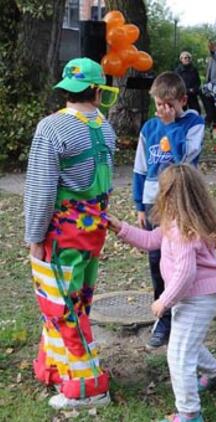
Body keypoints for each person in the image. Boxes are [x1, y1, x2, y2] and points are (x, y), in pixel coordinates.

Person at [109, 164, 216, 422]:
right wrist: (121, 228)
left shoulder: (184, 231)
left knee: (178, 354)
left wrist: (164, 301)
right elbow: (151, 241)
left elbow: (186, 274)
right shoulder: (177, 223)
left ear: (169, 194)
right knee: (186, 343)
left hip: (196, 298)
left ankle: (189, 413)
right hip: (191, 296)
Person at [25, 57, 116, 409]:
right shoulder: (104, 127)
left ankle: (89, 387)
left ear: (65, 88)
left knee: (62, 306)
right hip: (92, 231)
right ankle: (54, 367)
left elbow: (41, 188)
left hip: (61, 234)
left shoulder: (51, 128)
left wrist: (34, 237)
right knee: (76, 300)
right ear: (96, 91)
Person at [133, 71, 205, 349]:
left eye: (168, 104)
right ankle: (163, 316)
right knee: (156, 258)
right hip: (154, 200)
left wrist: (171, 125)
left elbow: (182, 160)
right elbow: (141, 167)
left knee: (183, 256)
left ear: (182, 100)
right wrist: (140, 204)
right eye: (158, 104)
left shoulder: (192, 124)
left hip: (182, 199)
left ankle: (183, 308)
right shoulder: (149, 127)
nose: (161, 110)